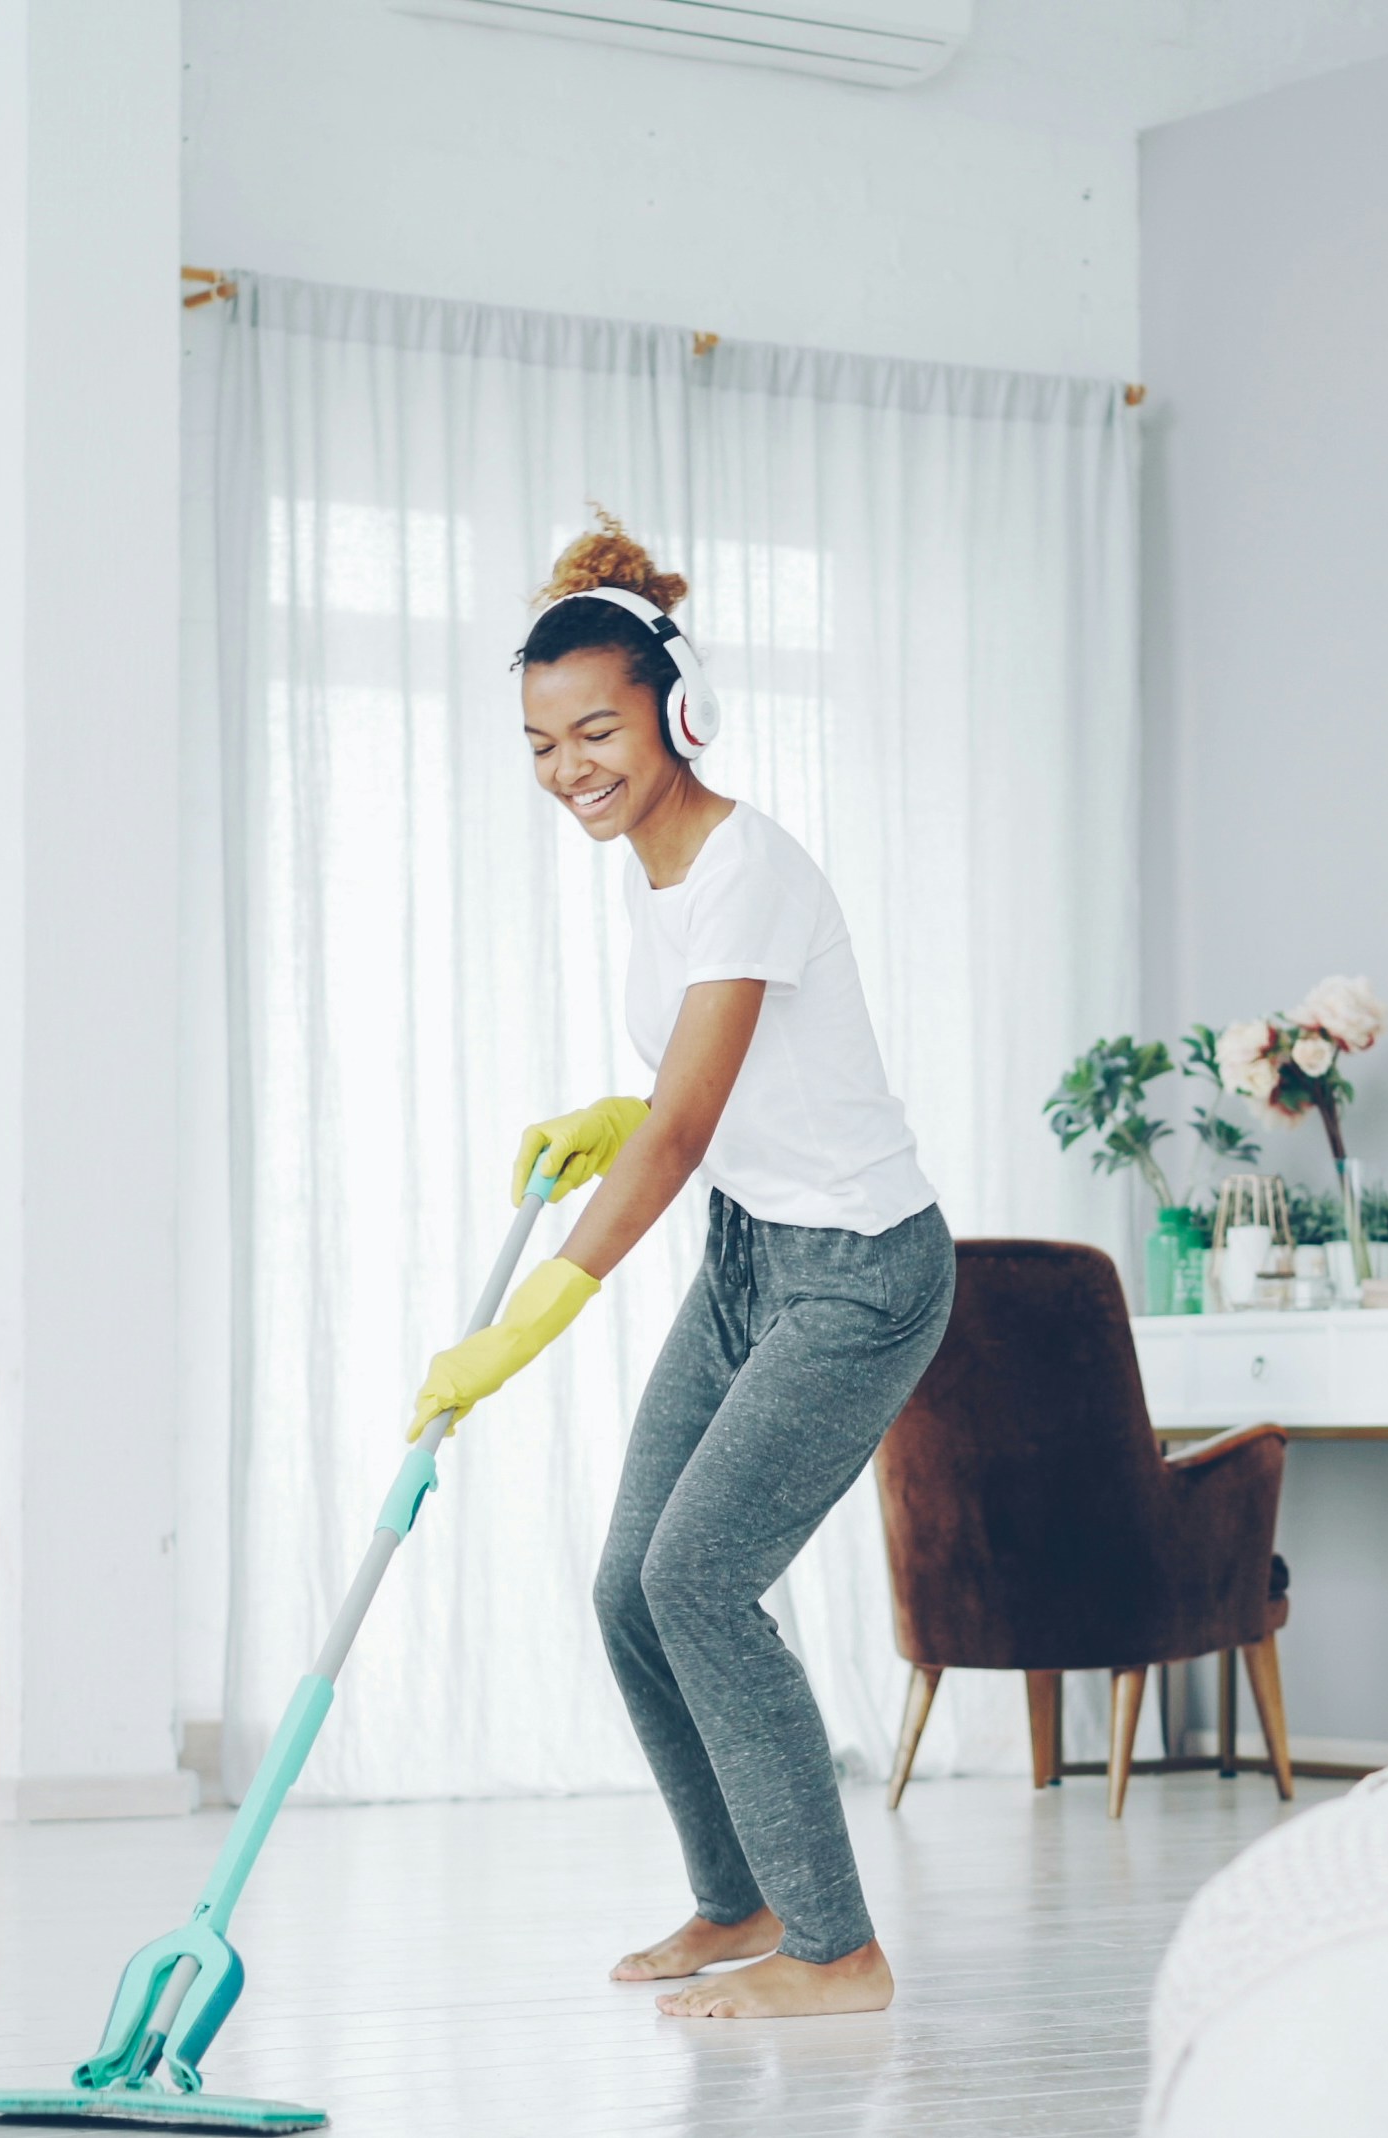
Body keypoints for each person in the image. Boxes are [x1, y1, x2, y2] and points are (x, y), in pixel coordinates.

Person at [406, 512, 956, 2021]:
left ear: (673, 710)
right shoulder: (656, 875)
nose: (568, 764)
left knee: (700, 1574)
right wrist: (614, 1113)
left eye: (594, 727)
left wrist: (522, 1329)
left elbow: (685, 1131)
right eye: (538, 741)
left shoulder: (748, 868)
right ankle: (743, 1897)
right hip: (748, 1255)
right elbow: (692, 1106)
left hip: (861, 1273)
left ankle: (839, 1951)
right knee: (629, 1586)